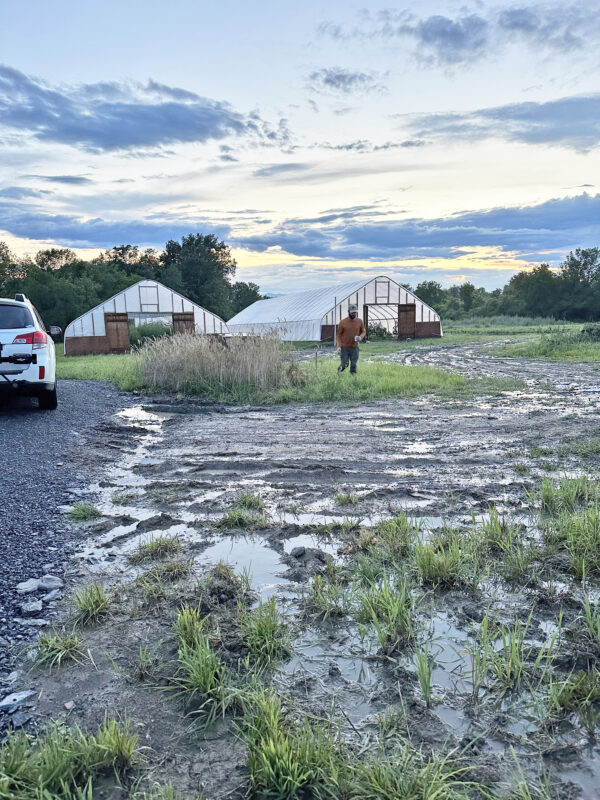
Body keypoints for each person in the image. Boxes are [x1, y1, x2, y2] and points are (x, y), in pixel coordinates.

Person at [336, 303, 366, 374]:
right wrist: (339, 346)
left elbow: (363, 331)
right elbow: (339, 335)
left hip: (354, 347)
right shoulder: (342, 322)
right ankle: (337, 374)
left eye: (355, 312)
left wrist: (360, 337)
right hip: (344, 348)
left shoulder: (359, 321)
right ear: (348, 312)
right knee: (344, 365)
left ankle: (352, 379)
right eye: (352, 313)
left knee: (353, 365)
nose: (354, 314)